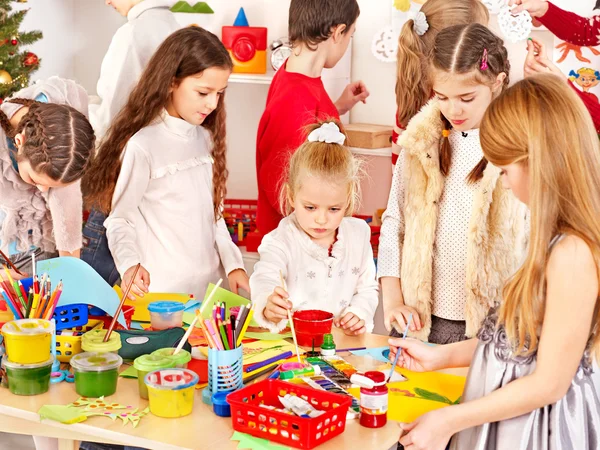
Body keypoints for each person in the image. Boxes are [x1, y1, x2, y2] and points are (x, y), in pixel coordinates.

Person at [390, 73, 600, 450]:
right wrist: (441, 356)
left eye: (505, 169)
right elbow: (518, 342)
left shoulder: (572, 255)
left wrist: (448, 419)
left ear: (539, 162)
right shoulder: (548, 240)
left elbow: (549, 382)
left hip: (535, 432)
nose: (502, 182)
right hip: (506, 422)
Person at [379, 24, 528, 344]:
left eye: (467, 97)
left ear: (498, 83)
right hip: (419, 320)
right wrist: (392, 300)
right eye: (442, 97)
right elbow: (394, 222)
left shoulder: (519, 147)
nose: (453, 109)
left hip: (492, 326)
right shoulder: (422, 141)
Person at [83, 27, 248, 301]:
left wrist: (234, 265)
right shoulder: (142, 145)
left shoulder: (205, 139)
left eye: (219, 93)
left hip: (210, 292)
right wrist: (130, 266)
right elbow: (120, 219)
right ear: (172, 82)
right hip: (163, 297)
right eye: (203, 92)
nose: (212, 104)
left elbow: (215, 216)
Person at [251, 121, 378, 335]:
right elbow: (265, 277)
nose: (321, 219)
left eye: (334, 209)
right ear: (291, 196)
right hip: (294, 346)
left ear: (348, 200)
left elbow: (367, 289)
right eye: (310, 207)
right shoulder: (280, 240)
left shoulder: (358, 235)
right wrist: (268, 303)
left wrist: (359, 313)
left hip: (342, 345)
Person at [256, 0, 370, 235]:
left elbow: (308, 127)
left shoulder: (293, 76)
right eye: (351, 35)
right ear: (338, 32)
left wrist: (338, 106)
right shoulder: (295, 101)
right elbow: (281, 188)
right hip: (298, 245)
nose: (348, 42)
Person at [0, 77, 95, 278]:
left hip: (44, 244)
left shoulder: (65, 115)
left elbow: (66, 200)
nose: (43, 191)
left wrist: (71, 268)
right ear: (19, 142)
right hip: (7, 254)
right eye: (36, 180)